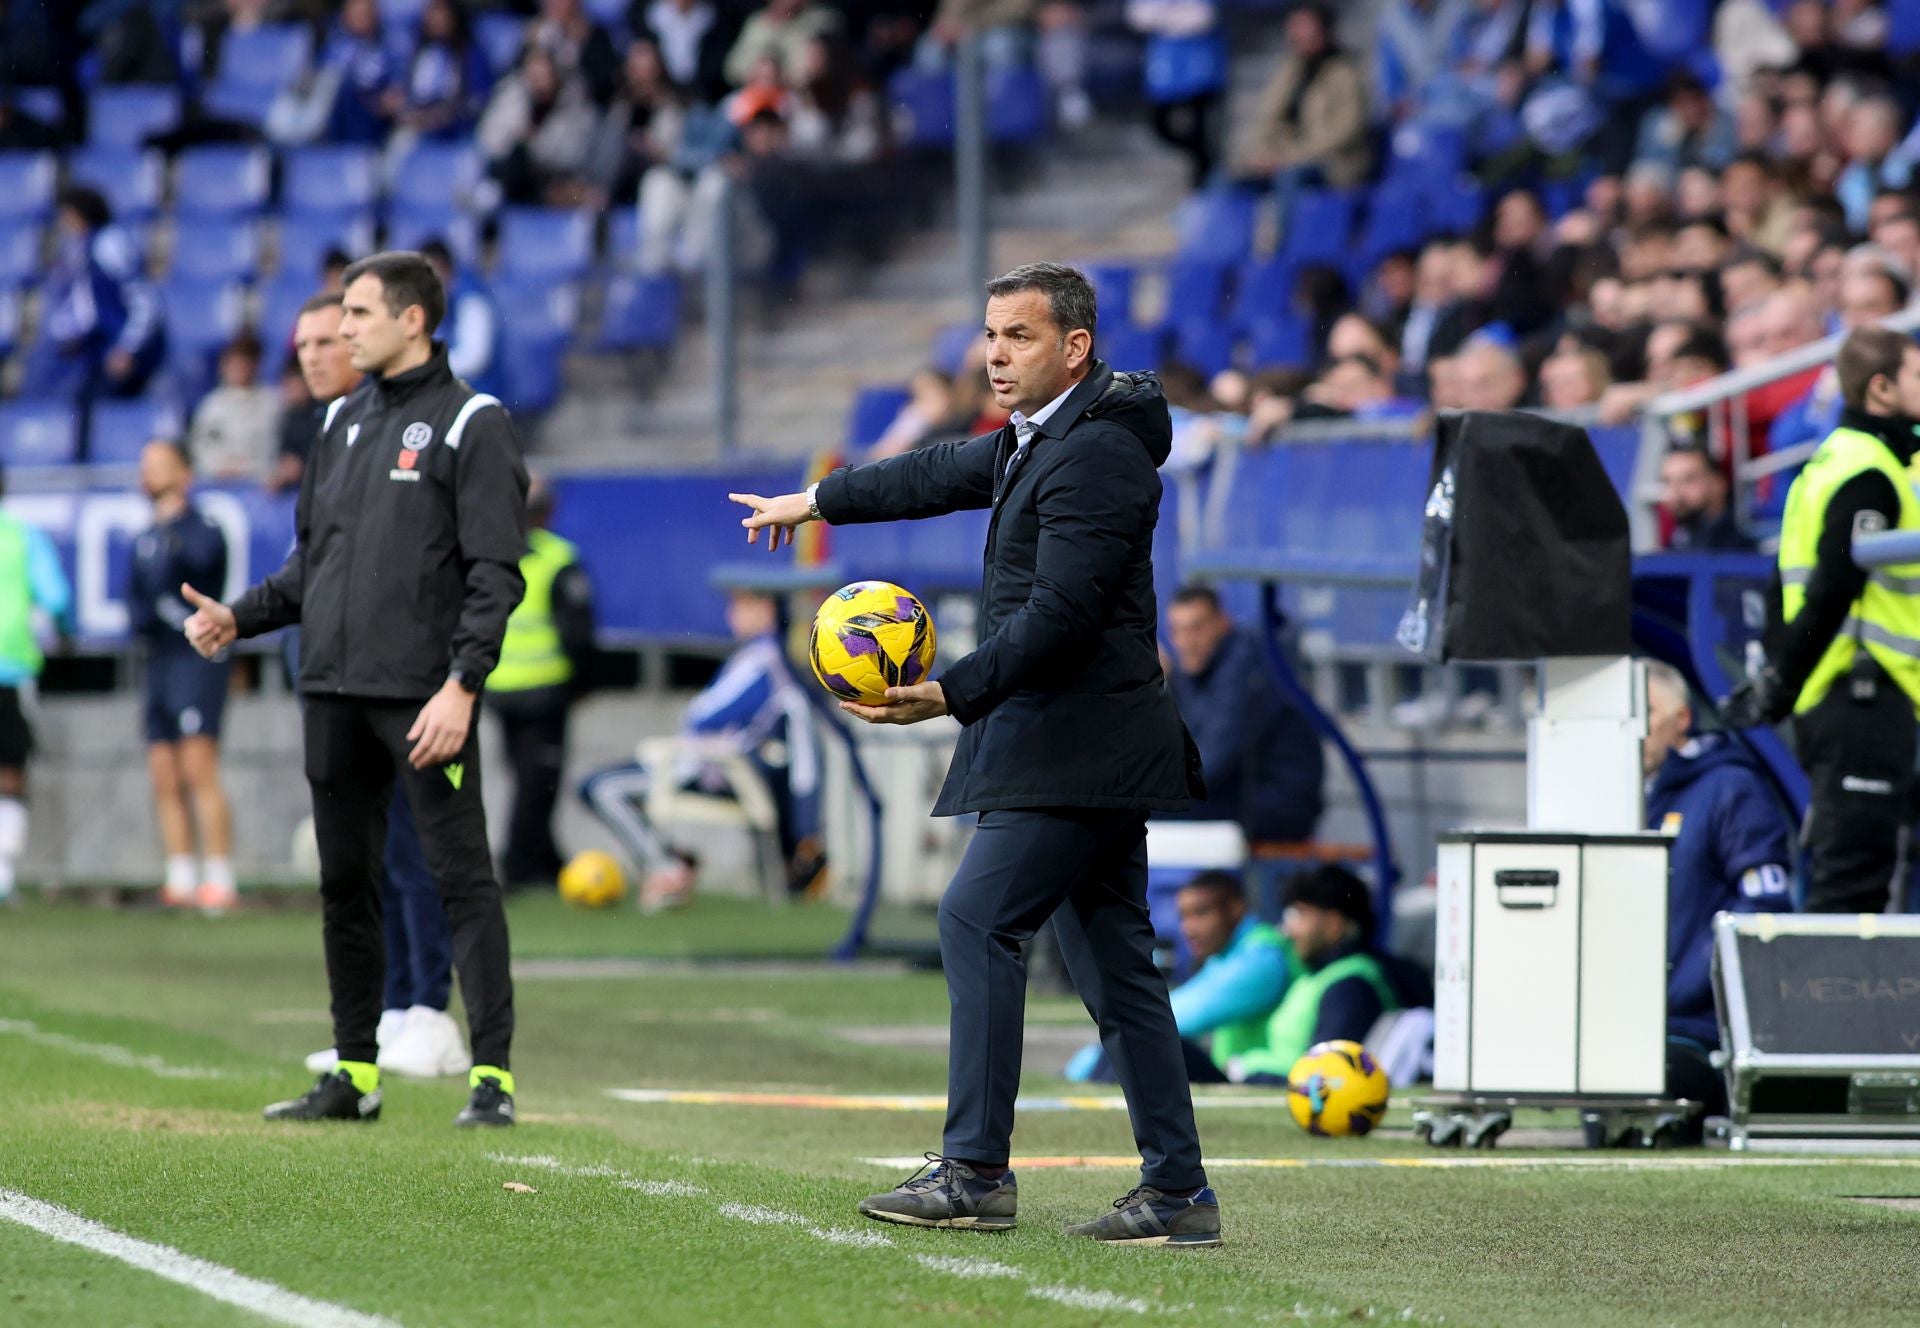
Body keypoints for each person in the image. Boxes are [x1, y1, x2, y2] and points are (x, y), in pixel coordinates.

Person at [732, 262, 1218, 1246]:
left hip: (1077, 744)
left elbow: (1066, 613)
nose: (996, 355)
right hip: (1069, 744)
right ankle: (1178, 1192)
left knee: (975, 919)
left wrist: (954, 689)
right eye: (990, 335)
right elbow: (933, 471)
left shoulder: (1100, 455)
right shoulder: (1042, 441)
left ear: (1075, 347)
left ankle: (976, 1171)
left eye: (1020, 336)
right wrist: (817, 500)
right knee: (1116, 968)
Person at [182, 252, 528, 1126]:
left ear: (413, 320)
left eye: (362, 314)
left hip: (421, 700)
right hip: (330, 691)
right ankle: (356, 1073)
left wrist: (461, 685)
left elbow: (496, 575)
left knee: (461, 880)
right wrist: (239, 617)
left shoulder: (472, 422)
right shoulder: (336, 421)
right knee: (345, 884)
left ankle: (492, 1079)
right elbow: (312, 568)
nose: (344, 330)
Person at [279, 291, 468, 1083]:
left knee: (418, 848)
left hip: (410, 679)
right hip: (342, 673)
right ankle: (390, 1010)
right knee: (371, 854)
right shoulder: (334, 431)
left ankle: (430, 1011)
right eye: (306, 344)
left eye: (334, 335)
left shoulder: (419, 425)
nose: (322, 352)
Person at [1724, 326, 1920, 914]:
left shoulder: (1835, 459)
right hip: (1863, 696)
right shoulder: (1872, 474)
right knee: (1852, 887)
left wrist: (1780, 684)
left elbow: (1788, 579)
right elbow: (1831, 590)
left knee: (1853, 875)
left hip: (1845, 699)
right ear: (1882, 389)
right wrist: (1780, 683)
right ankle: (1826, 1006)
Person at [578, 588, 824, 910]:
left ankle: (666, 868)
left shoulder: (765, 662)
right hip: (705, 765)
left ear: (764, 609)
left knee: (603, 789)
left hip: (713, 770)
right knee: (595, 786)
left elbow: (705, 717)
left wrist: (807, 826)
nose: (730, 614)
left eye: (739, 604)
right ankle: (670, 861)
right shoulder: (754, 656)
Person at [1643, 661, 1792, 1119]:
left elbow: (1765, 911)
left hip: (1701, 1031)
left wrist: (1697, 984)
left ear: (1681, 719)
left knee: (1645, 1084)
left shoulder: (1730, 787)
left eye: (1644, 712)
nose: (1629, 729)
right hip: (1637, 1025)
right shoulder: (1623, 797)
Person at [129, 440, 236, 914]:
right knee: (163, 770)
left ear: (183, 474)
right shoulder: (142, 536)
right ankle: (180, 875)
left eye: (157, 466)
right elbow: (135, 602)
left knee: (198, 766)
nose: (147, 475)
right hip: (160, 660)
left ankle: (219, 876)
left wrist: (173, 528)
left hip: (197, 659)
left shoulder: (203, 527)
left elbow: (205, 566)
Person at [1063, 869, 1291, 1085]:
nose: (1188, 929)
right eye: (1184, 916)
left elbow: (1167, 1019)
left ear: (1235, 909)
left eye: (1200, 913)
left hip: (1265, 1077)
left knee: (1148, 1041)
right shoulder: (1229, 954)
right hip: (1239, 1072)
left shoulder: (1263, 959)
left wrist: (1088, 1061)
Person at [487, 477, 595, 892]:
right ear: (547, 512)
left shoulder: (492, 553)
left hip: (501, 686)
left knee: (528, 780)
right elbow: (578, 633)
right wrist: (584, 682)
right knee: (538, 783)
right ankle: (515, 865)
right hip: (545, 689)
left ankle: (546, 863)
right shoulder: (558, 558)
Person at [1163, 584, 1323, 843]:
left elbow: (1206, 766)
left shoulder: (1243, 668)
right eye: (1177, 630)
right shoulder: (1191, 674)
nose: (1186, 642)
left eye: (1196, 628)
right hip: (1238, 795)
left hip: (1278, 806)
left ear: (1222, 624)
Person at [1227, 866, 1405, 1083]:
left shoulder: (1350, 987)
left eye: (1298, 914)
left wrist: (1248, 1071)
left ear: (1333, 924)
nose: (1287, 929)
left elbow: (1326, 1076)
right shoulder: (1316, 975)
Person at [0, 466, 72, 905]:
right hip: (11, 668)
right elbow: (58, 599)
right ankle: (3, 875)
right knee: (9, 771)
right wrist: (66, 632)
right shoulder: (24, 538)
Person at [187, 332, 281, 482]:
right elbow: (199, 447)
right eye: (233, 364)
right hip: (218, 483)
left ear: (255, 366)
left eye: (244, 364)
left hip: (259, 485)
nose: (238, 369)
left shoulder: (273, 403)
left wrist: (247, 469)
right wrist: (217, 467)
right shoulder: (211, 405)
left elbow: (275, 449)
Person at [1660, 444, 1753, 552]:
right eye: (1667, 482)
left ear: (1718, 484)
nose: (1676, 493)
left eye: (1688, 480)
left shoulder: (1744, 541)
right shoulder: (1677, 541)